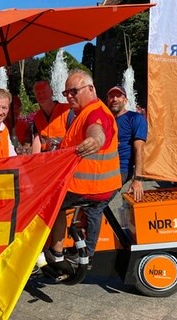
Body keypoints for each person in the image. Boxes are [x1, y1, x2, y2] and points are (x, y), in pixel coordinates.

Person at [46, 70, 122, 269]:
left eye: (73, 91)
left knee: (51, 203)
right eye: (66, 93)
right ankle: (86, 255)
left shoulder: (96, 112)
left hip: (91, 187)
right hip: (103, 185)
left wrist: (95, 140)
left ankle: (56, 253)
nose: (69, 96)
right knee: (94, 213)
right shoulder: (82, 113)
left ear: (90, 89)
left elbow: (97, 130)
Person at [107, 85, 147, 201]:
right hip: (103, 167)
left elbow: (139, 149)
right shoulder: (105, 120)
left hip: (121, 169)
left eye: (118, 96)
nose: (114, 99)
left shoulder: (135, 118)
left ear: (125, 100)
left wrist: (138, 179)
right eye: (111, 96)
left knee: (97, 204)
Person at [30, 80, 71, 153]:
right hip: (47, 159)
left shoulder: (67, 111)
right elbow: (37, 141)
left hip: (64, 157)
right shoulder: (37, 118)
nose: (41, 95)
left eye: (44, 92)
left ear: (52, 93)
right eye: (38, 93)